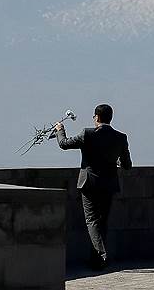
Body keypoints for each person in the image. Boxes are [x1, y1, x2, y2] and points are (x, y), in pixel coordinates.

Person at [55, 103, 132, 270]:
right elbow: (127, 165)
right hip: (109, 184)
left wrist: (60, 129)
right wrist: (117, 160)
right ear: (110, 118)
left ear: (96, 117)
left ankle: (102, 255)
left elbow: (64, 144)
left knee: (91, 221)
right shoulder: (120, 137)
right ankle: (96, 261)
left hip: (89, 183)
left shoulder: (87, 134)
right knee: (101, 222)